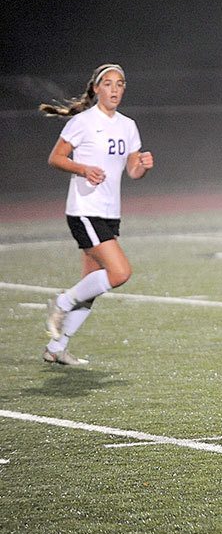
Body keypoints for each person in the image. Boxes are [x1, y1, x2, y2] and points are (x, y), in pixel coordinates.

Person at [40, 64, 154, 366]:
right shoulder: (83, 122)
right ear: (96, 89)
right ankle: (61, 302)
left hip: (109, 212)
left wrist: (142, 166)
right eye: (108, 84)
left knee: (91, 284)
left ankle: (57, 347)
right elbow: (56, 158)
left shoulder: (128, 126)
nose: (114, 89)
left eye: (120, 84)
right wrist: (83, 168)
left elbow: (132, 171)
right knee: (120, 273)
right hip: (84, 210)